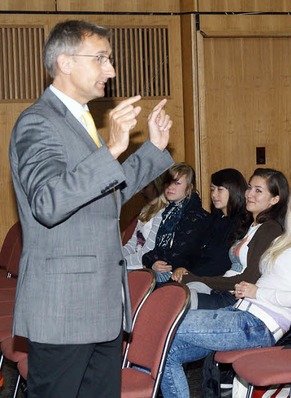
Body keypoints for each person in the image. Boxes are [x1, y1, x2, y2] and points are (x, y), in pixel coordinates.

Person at [9, 20, 174, 398]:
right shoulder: (38, 122)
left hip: (101, 305)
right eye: (101, 58)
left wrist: (153, 150)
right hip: (64, 307)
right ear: (65, 62)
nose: (111, 70)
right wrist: (111, 150)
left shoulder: (82, 122)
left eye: (110, 60)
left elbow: (106, 197)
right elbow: (48, 203)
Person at [159, 178, 291, 398]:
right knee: (167, 351)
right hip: (242, 314)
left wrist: (256, 291)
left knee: (165, 322)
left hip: (258, 325)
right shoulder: (288, 239)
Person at [180, 168, 288, 309]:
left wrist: (199, 279)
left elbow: (250, 278)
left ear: (274, 199)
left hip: (233, 298)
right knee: (173, 295)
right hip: (222, 289)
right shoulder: (250, 225)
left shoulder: (270, 229)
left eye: (258, 190)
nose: (249, 194)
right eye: (249, 187)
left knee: (178, 302)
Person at [170, 168, 252, 281]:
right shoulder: (211, 219)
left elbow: (220, 263)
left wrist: (190, 275)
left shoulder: (241, 223)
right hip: (195, 275)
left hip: (214, 280)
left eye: (220, 189)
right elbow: (193, 250)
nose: (214, 194)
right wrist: (182, 267)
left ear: (234, 190)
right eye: (212, 189)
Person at [141, 162, 209, 283]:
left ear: (189, 188)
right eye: (168, 182)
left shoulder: (194, 216)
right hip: (165, 269)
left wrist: (151, 261)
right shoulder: (169, 212)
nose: (170, 187)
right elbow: (157, 250)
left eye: (177, 183)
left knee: (134, 280)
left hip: (181, 273)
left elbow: (180, 255)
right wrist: (152, 262)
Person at [121, 174, 168, 270]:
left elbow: (148, 251)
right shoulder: (145, 210)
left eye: (146, 187)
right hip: (135, 263)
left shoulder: (164, 211)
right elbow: (131, 245)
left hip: (149, 265)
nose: (142, 191)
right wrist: (114, 256)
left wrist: (120, 263)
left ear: (157, 186)